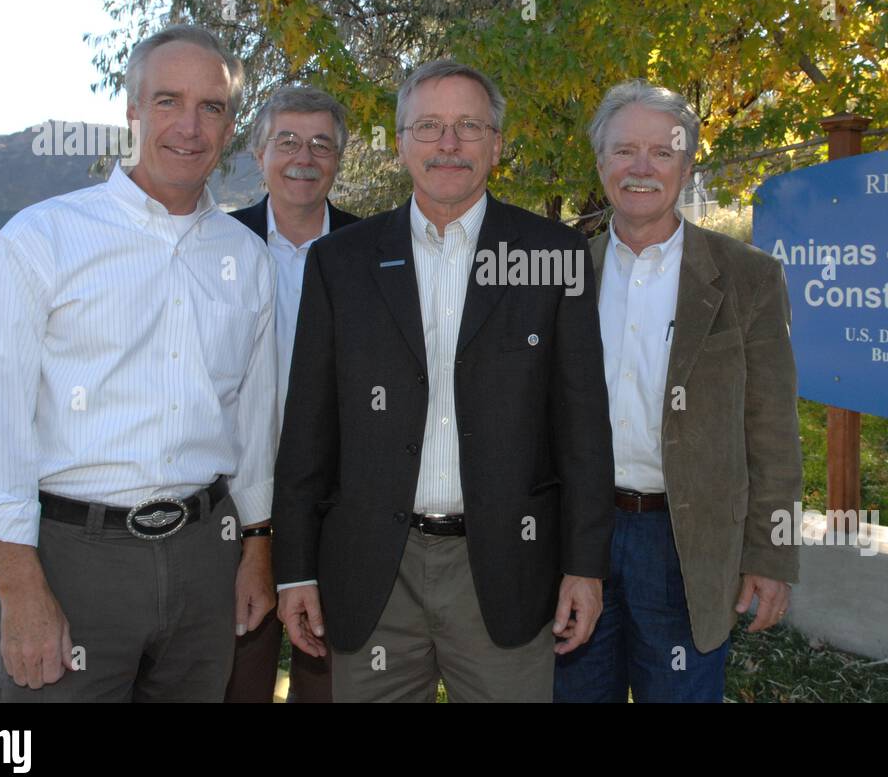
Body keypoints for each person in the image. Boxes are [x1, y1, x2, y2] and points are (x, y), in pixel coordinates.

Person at [0, 24, 278, 702]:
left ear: (230, 124)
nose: (189, 125)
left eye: (211, 107)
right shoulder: (43, 238)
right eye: (167, 101)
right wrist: (19, 587)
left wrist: (256, 546)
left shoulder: (246, 259)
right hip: (73, 558)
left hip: (205, 559)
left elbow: (255, 419)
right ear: (131, 111)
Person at [273, 59, 614, 702]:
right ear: (400, 143)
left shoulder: (552, 256)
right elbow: (307, 432)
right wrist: (294, 570)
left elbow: (583, 429)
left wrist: (584, 566)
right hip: (373, 570)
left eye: (468, 126)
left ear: (497, 143)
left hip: (507, 572)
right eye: (428, 126)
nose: (448, 144)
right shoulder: (340, 262)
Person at [554, 79, 803, 703]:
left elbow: (772, 429)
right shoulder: (563, 275)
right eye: (623, 151)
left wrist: (773, 555)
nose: (641, 168)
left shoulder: (747, 278)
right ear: (601, 161)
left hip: (687, 544)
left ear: (687, 165)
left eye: (661, 152)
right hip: (577, 539)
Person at [225, 87, 360, 704]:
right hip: (228, 502)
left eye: (321, 144)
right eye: (287, 142)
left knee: (329, 677)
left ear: (338, 159)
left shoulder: (378, 251)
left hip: (341, 505)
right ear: (259, 153)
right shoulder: (213, 248)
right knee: (234, 676)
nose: (304, 157)